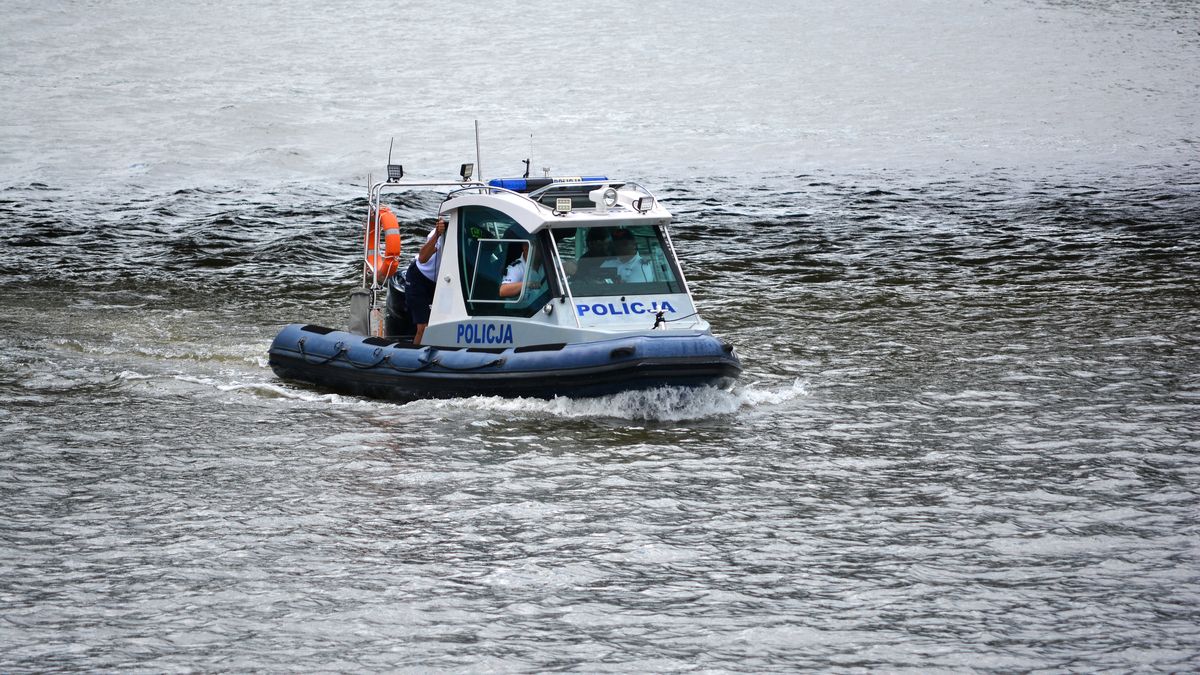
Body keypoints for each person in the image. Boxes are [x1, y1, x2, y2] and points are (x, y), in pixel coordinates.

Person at [404, 216, 446, 345]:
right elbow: (422, 258)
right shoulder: (438, 234)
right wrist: (438, 234)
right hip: (418, 278)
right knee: (423, 328)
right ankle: (413, 358)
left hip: (439, 281)